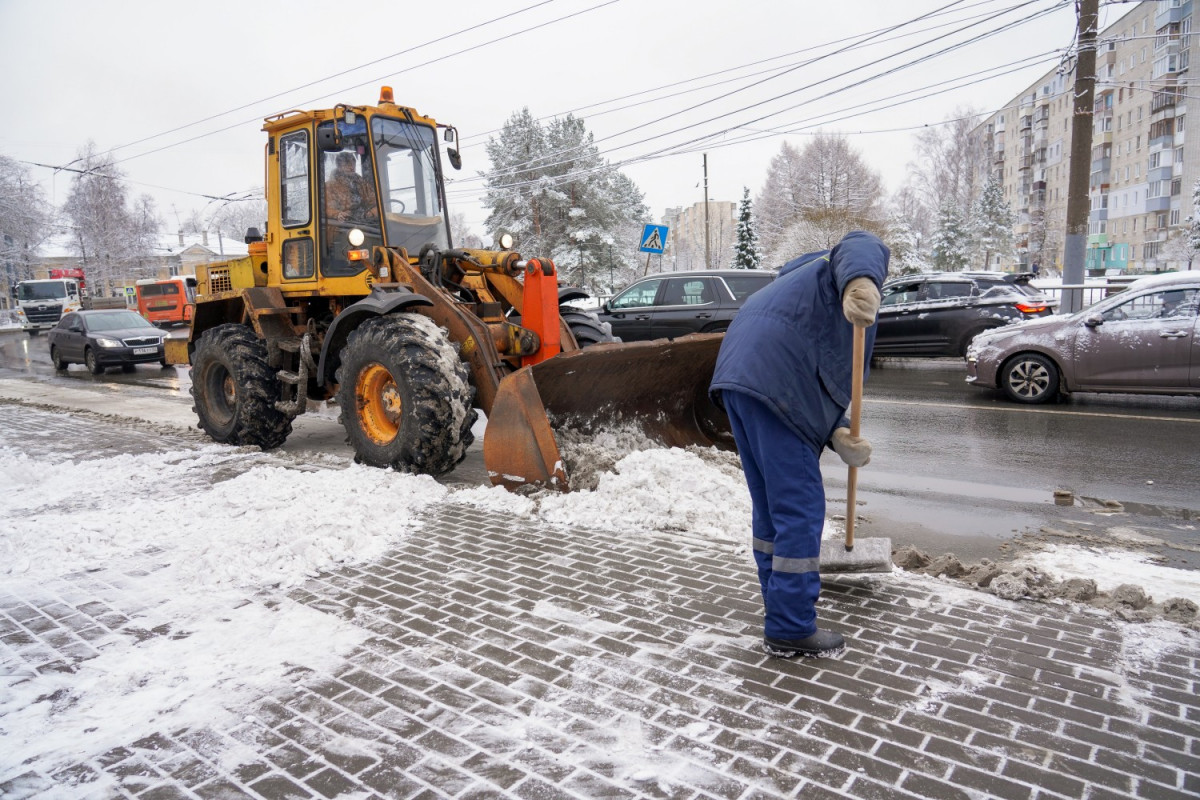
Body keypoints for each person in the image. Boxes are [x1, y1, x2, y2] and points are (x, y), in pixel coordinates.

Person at [709, 230, 889, 659]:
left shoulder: (798, 283)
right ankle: (789, 626)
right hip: (776, 381)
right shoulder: (839, 271)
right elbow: (864, 243)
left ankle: (779, 605)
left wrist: (836, 431)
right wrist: (863, 280)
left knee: (773, 508)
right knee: (800, 509)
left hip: (741, 379)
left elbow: (818, 360)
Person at [325, 151, 377, 223]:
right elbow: (325, 208)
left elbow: (374, 200)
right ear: (339, 167)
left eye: (353, 164)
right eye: (347, 165)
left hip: (365, 221)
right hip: (343, 226)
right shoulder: (329, 187)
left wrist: (372, 212)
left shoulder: (362, 183)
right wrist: (337, 214)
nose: (352, 168)